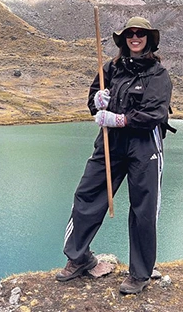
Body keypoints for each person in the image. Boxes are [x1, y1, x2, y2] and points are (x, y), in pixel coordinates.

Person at [56, 16, 173, 295]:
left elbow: (154, 114)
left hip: (144, 145)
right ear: (123, 39)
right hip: (110, 143)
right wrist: (98, 102)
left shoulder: (158, 75)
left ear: (149, 39)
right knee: (88, 193)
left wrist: (119, 119)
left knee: (143, 208)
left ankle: (140, 273)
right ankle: (79, 257)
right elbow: (95, 95)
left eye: (140, 34)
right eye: (130, 34)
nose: (135, 37)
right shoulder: (111, 67)